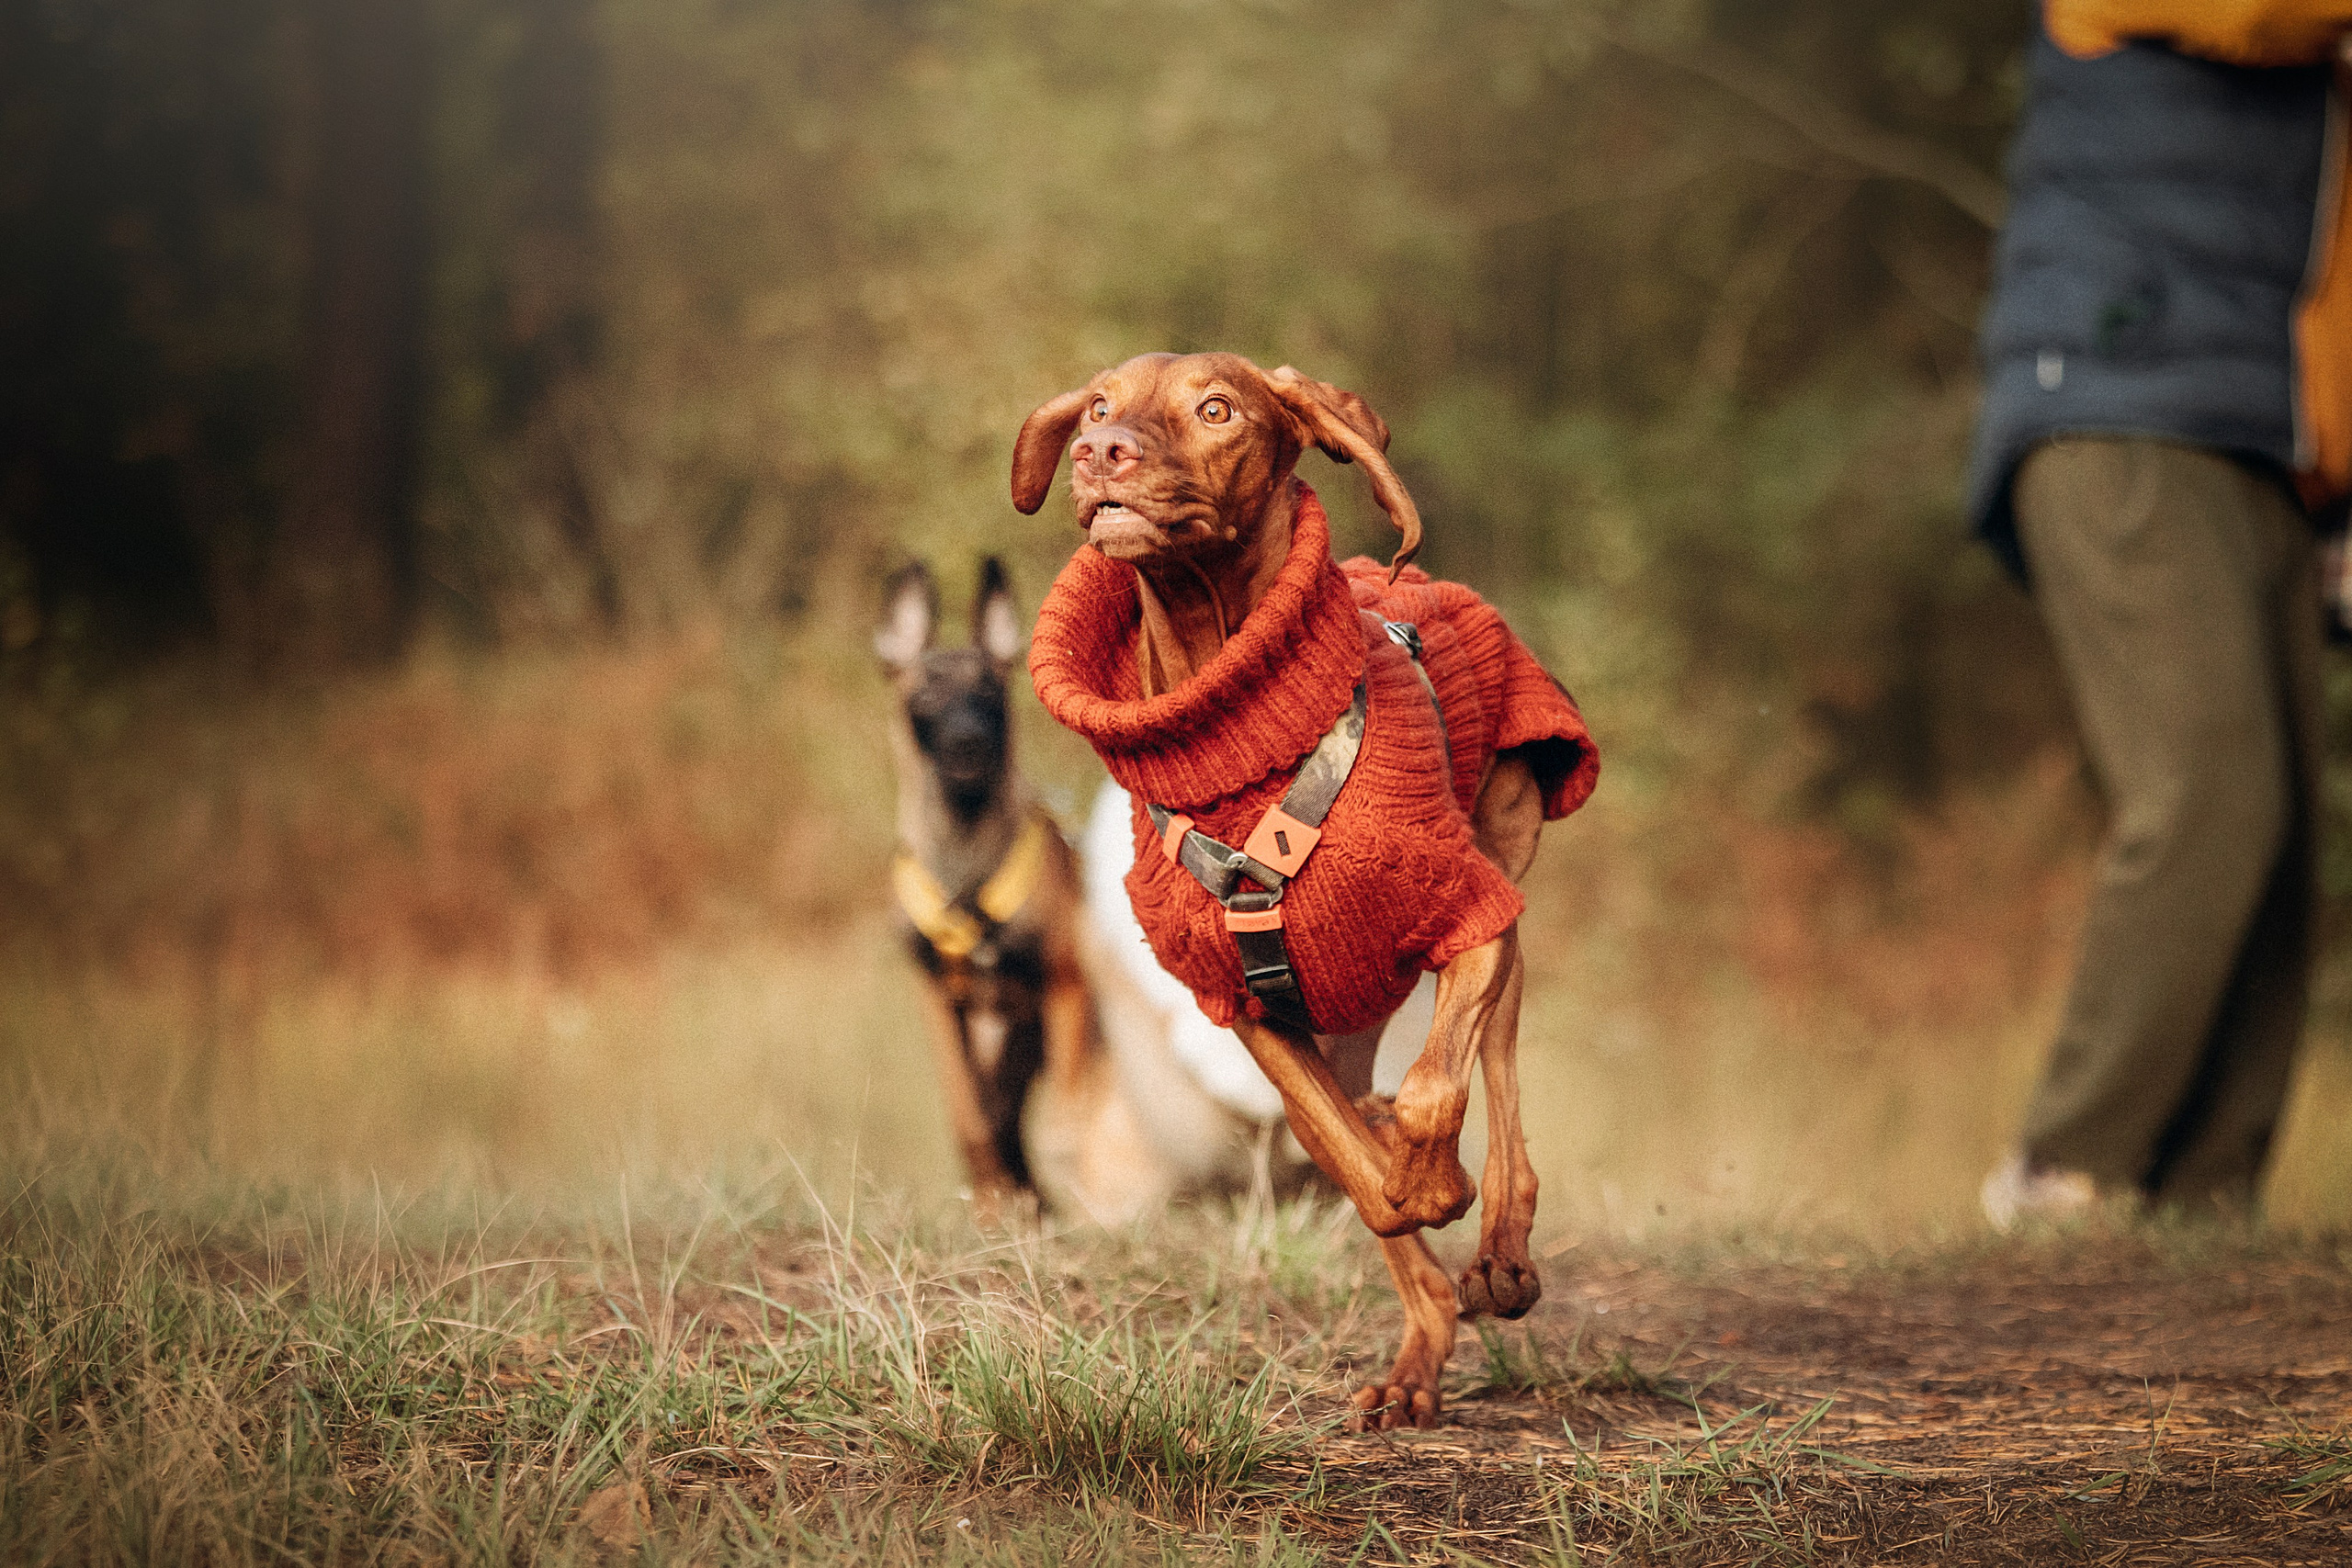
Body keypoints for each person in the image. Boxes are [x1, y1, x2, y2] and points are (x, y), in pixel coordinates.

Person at [1968, 1, 2352, 1224]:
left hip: (2267, 450)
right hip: (2117, 401)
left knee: (2283, 839)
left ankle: (2198, 1213)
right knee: (2212, 790)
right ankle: (2064, 1168)